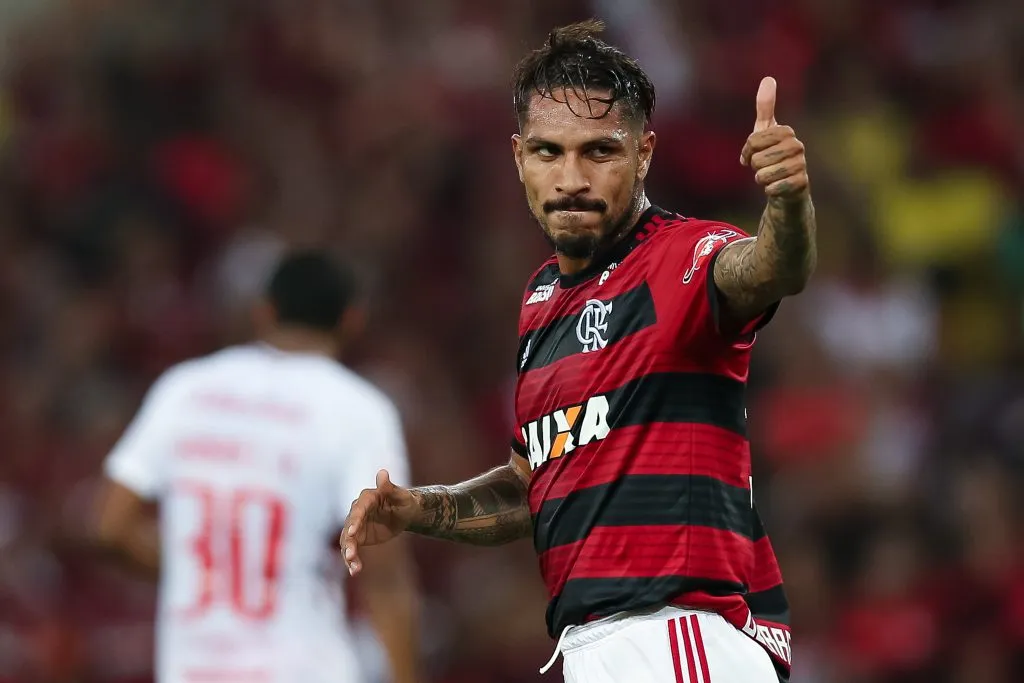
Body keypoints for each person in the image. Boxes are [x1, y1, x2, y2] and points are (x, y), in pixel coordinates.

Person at [341, 19, 815, 683]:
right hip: (596, 645)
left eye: (599, 151)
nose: (571, 177)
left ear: (644, 153)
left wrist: (788, 201)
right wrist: (420, 508)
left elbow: (770, 268)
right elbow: (534, 482)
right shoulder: (540, 302)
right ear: (518, 157)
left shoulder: (682, 256)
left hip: (679, 636)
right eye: (548, 152)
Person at [92, 251, 420, 683]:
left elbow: (108, 525)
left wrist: (204, 572)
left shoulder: (185, 389)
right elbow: (385, 573)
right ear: (352, 320)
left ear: (264, 312)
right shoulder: (358, 410)